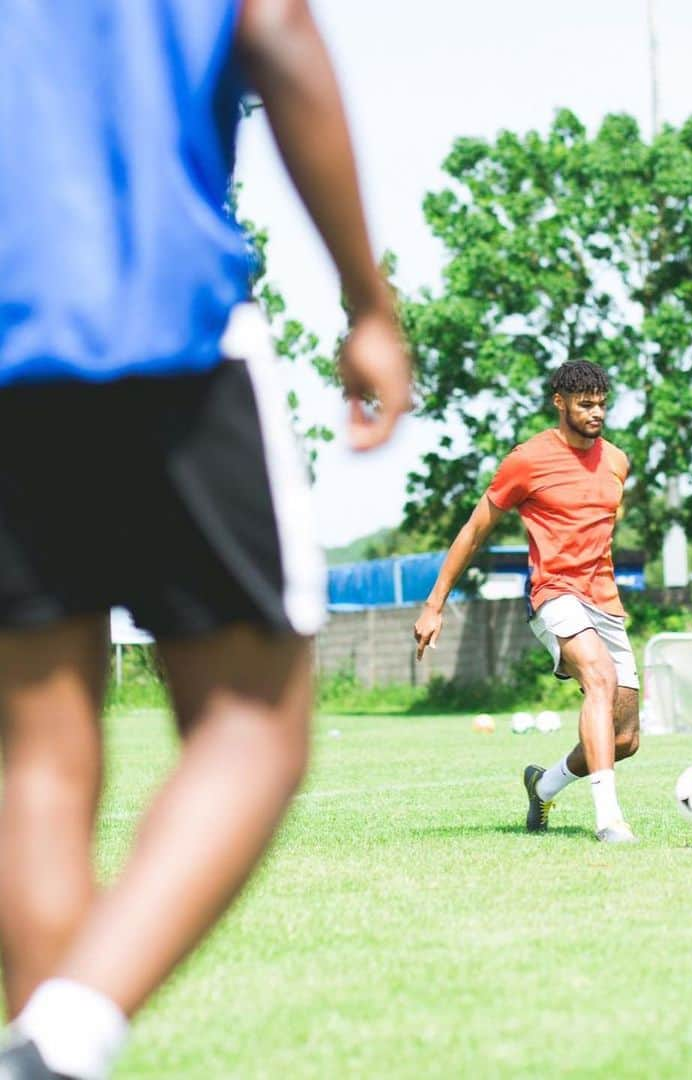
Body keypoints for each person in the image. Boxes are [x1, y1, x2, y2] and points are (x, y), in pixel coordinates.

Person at [0, 2, 411, 1077]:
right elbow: (274, 26)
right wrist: (367, 300)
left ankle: (45, 1049)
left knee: (38, 756)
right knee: (254, 722)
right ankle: (67, 1032)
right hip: (166, 322)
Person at [413, 361, 641, 843]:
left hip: (605, 598)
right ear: (559, 402)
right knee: (598, 678)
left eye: (602, 403)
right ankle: (609, 820)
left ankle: (544, 783)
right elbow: (475, 531)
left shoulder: (617, 461)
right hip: (553, 592)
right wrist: (435, 604)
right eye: (585, 404)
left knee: (625, 740)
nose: (596, 413)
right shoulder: (528, 460)